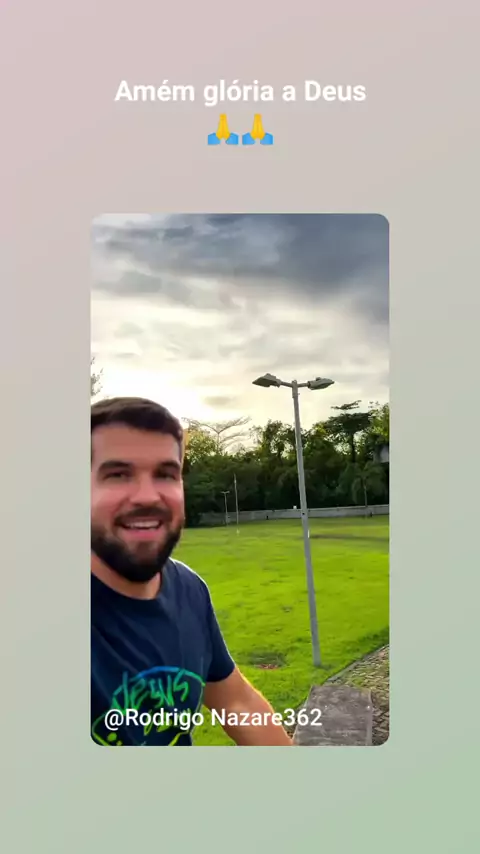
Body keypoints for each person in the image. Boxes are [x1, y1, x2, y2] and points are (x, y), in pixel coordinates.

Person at [91, 396, 292, 746]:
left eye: (166, 474)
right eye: (118, 474)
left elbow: (236, 701)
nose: (147, 497)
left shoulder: (189, 589)